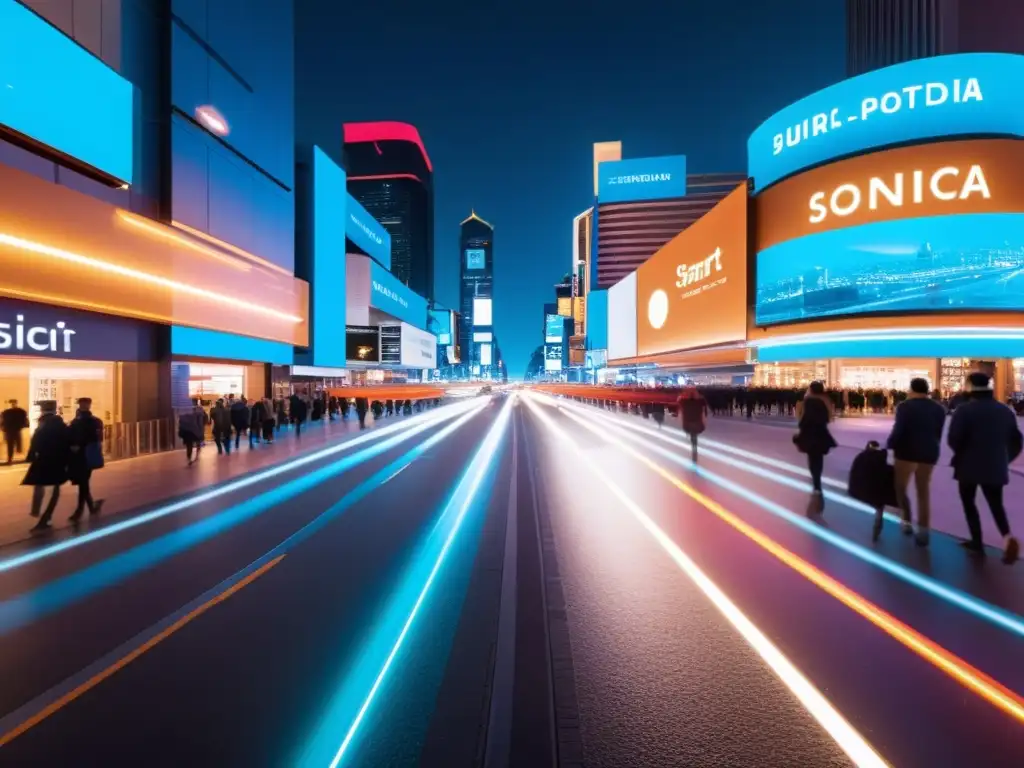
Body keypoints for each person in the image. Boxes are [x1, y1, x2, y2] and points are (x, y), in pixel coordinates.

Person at [947, 372, 1021, 564]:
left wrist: (962, 452)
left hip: (968, 466)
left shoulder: (964, 410)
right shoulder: (1004, 410)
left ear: (970, 387)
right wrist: (1005, 459)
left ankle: (977, 542)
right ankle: (1006, 536)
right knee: (996, 504)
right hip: (995, 465)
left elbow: (954, 439)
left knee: (969, 503)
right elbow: (1017, 440)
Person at [886, 377, 947, 546]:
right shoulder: (939, 409)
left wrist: (889, 445)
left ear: (912, 389)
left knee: (900, 487)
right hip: (929, 453)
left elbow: (898, 430)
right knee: (923, 491)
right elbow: (938, 432)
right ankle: (924, 530)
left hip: (906, 452)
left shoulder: (904, 407)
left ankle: (906, 520)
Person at [23, 401, 69, 531]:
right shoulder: (60, 424)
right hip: (56, 459)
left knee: (43, 486)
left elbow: (36, 440)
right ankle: (44, 514)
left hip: (45, 458)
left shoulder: (45, 424)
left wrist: (31, 455)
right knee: (53, 487)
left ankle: (41, 513)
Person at [793, 381, 837, 516]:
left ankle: (817, 487)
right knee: (818, 459)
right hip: (822, 434)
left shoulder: (809, 401)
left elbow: (803, 420)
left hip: (811, 435)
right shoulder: (826, 401)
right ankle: (817, 486)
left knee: (812, 461)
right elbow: (829, 418)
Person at [67, 397, 105, 520]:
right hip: (83, 455)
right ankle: (91, 508)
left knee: (83, 482)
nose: (82, 406)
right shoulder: (92, 421)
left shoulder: (84, 421)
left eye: (83, 404)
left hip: (83, 455)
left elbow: (91, 437)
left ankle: (80, 510)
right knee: (83, 483)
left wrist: (77, 445)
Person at [677, 387, 708, 463]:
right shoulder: (700, 401)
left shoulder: (684, 401)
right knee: (694, 436)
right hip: (697, 422)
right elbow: (705, 407)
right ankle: (694, 449)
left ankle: (694, 449)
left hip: (688, 422)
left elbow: (679, 400)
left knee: (693, 436)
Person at [1, 399, 29, 465]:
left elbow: (2, 421)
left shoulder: (6, 412)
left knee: (13, 445)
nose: (12, 405)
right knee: (13, 445)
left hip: (12, 430)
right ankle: (10, 459)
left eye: (13, 403)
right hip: (13, 430)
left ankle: (11, 459)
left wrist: (3, 427)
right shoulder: (19, 411)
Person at [178, 400, 206, 465]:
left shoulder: (184, 411)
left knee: (189, 445)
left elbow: (181, 421)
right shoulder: (199, 410)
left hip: (188, 431)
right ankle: (196, 456)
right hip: (196, 430)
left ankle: (189, 458)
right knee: (197, 443)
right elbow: (202, 421)